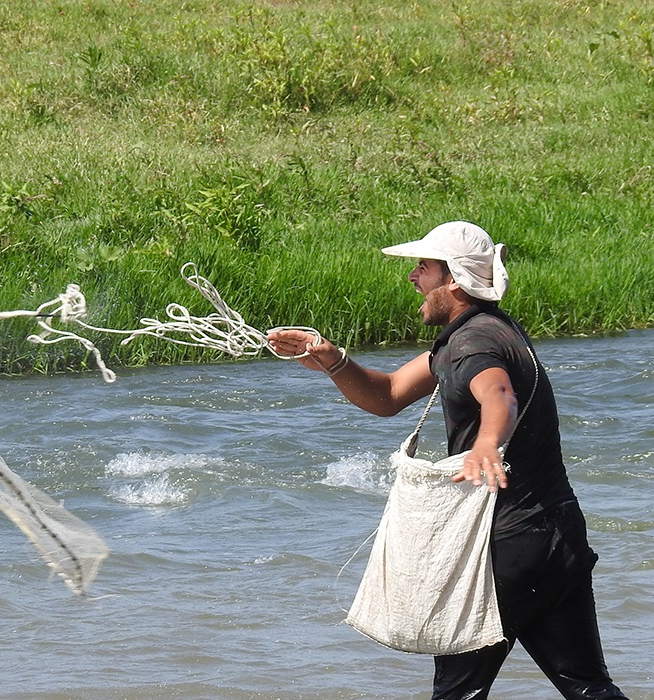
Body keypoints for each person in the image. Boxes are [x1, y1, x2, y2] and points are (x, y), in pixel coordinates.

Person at [267, 221, 628, 700]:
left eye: (423, 267)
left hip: (504, 548)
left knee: (456, 694)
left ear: (453, 279)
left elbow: (498, 394)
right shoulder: (489, 331)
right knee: (589, 687)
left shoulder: (471, 345)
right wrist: (333, 361)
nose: (413, 277)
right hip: (557, 536)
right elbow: (389, 395)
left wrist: (487, 443)